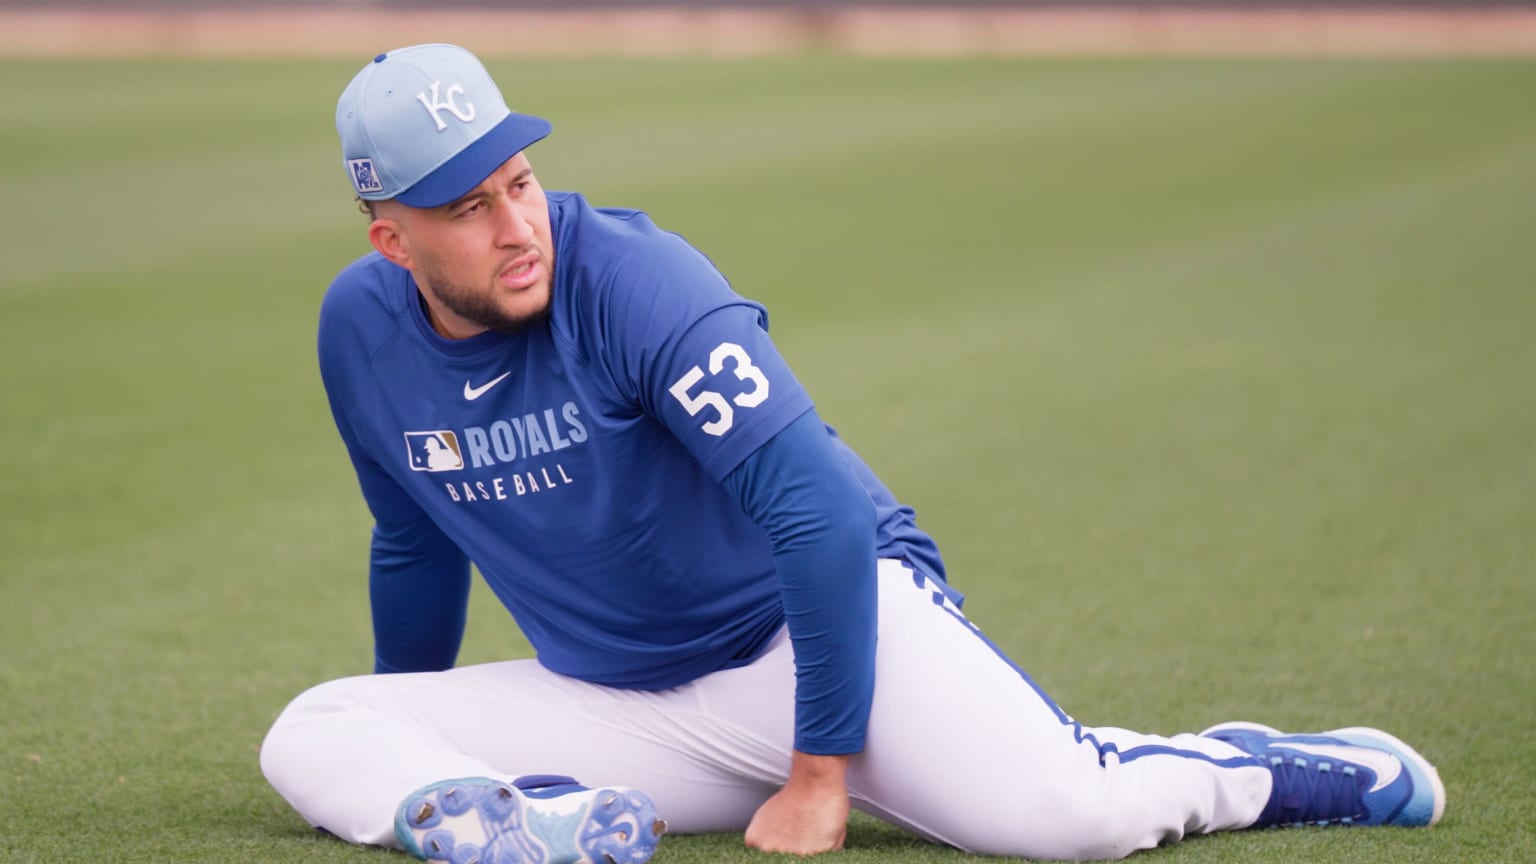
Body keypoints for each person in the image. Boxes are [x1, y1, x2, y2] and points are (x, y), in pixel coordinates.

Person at [260, 43, 1446, 864]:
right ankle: (507, 823)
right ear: (392, 239)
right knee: (317, 729)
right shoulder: (355, 329)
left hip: (819, 640)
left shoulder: (634, 280)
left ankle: (1253, 767)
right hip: (621, 705)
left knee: (1068, 819)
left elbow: (818, 512)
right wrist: (408, 712)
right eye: (467, 208)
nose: (516, 228)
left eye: (519, 182)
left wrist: (820, 772)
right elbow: (413, 539)